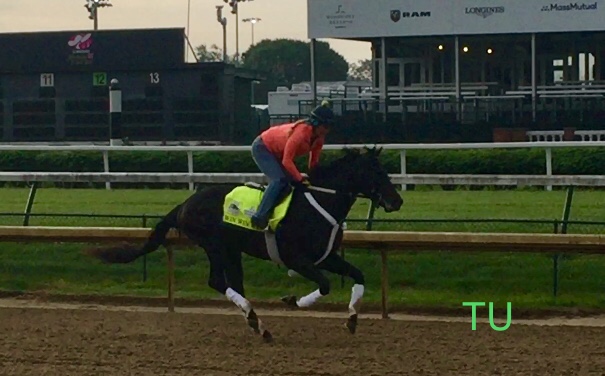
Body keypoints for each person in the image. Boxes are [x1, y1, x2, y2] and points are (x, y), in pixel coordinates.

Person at [249, 100, 335, 230]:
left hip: (277, 152)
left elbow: (313, 163)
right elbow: (286, 161)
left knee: (290, 184)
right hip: (263, 147)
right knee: (279, 180)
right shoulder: (300, 134)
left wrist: (315, 178)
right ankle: (259, 216)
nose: (328, 130)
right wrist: (300, 178)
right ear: (317, 124)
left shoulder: (319, 139)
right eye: (326, 126)